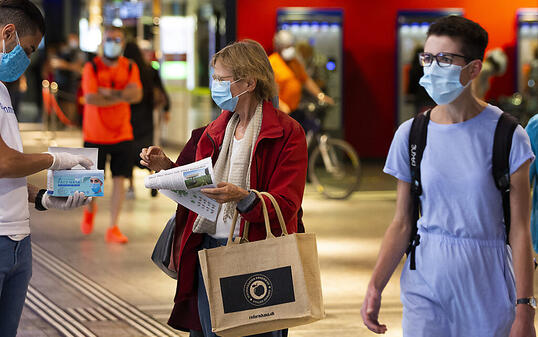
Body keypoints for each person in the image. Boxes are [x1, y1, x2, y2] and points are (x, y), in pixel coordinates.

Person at [361, 16, 536, 337]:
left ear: (473, 69)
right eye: (427, 58)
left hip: (489, 280)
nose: (432, 67)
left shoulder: (509, 135)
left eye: (444, 59)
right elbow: (402, 222)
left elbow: (521, 229)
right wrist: (375, 285)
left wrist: (525, 307)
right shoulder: (411, 134)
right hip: (426, 278)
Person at [140, 39, 307, 336]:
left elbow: (287, 204)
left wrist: (244, 198)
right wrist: (165, 166)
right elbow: (193, 179)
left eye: (221, 79)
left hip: (260, 255)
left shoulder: (286, 133)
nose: (215, 84)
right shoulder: (214, 132)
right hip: (210, 251)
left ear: (249, 82)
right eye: (214, 77)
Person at [0, 1, 94, 335]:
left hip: (16, 241)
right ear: (7, 33)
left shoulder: (1, 91)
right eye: (25, 50)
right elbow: (4, 162)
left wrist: (41, 198)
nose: (25, 61)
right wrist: (55, 159)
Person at [80, 26, 143, 244]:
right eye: (109, 39)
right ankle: (90, 209)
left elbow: (136, 95)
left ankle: (113, 226)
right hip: (95, 133)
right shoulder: (92, 67)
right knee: (92, 183)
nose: (113, 43)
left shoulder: (130, 66)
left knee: (119, 180)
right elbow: (90, 99)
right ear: (102, 41)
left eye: (117, 39)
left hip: (122, 133)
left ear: (123, 43)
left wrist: (108, 94)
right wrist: (122, 95)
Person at [268, 30, 334, 125]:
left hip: (294, 110)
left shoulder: (295, 62)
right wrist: (281, 105)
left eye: (291, 45)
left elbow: (306, 80)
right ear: (278, 47)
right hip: (279, 113)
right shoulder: (272, 63)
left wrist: (320, 95)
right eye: (286, 46)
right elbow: (268, 91)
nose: (290, 49)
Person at [123, 41, 161, 198]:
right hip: (146, 116)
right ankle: (152, 182)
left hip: (127, 116)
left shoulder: (126, 70)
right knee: (147, 150)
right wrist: (165, 109)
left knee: (129, 151)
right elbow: (160, 91)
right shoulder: (149, 70)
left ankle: (131, 186)